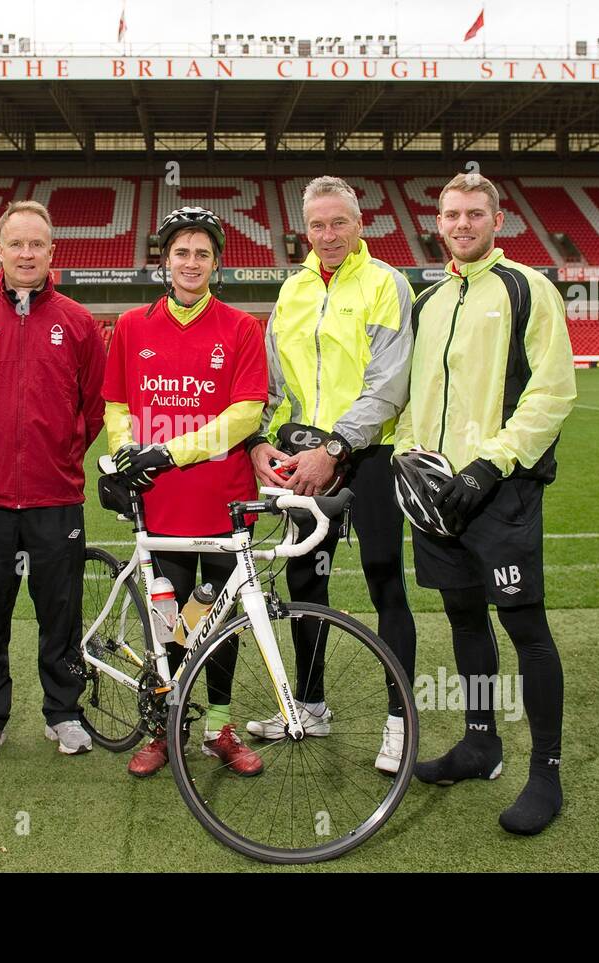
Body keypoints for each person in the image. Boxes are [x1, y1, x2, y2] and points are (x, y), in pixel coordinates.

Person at [395, 171, 576, 835]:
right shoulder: (430, 299)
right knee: (464, 618)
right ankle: (481, 743)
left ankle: (547, 772)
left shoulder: (528, 289)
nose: (462, 224)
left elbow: (553, 393)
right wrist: (410, 458)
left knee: (525, 627)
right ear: (437, 222)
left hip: (502, 492)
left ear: (497, 221)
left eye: (475, 213)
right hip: (440, 495)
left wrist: (489, 463)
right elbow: (416, 394)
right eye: (451, 214)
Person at [245, 175, 417, 774]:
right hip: (301, 460)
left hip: (367, 459)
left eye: (338, 222)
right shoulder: (291, 290)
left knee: (383, 582)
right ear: (304, 231)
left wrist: (337, 447)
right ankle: (311, 705)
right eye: (317, 225)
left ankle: (400, 723)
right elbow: (271, 385)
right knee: (303, 586)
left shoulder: (385, 284)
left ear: (359, 223)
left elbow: (390, 385)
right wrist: (259, 442)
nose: (328, 235)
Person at [0, 199, 106, 764]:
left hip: (56, 497)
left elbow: (94, 408)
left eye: (38, 244)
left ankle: (63, 712)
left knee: (60, 610)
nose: (27, 253)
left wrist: (58, 455)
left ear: (52, 251)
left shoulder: (79, 323)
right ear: (0, 251)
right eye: (17, 244)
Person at [103, 206, 268, 777]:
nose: (191, 262)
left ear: (216, 263)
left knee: (220, 623)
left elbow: (247, 413)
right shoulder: (131, 326)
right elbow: (118, 404)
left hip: (222, 500)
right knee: (167, 623)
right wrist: (128, 451)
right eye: (181, 253)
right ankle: (163, 725)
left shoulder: (242, 328)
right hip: (162, 505)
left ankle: (219, 726)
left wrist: (170, 451)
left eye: (202, 253)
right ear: (165, 262)